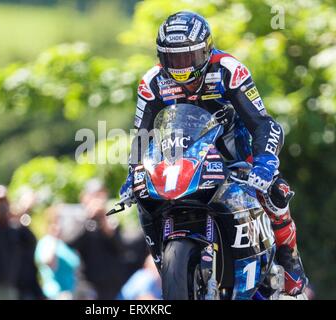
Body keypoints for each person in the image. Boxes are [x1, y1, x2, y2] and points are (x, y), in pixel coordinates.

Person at [119, 11, 308, 296]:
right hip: (183, 160)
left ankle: (290, 263)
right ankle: (169, 258)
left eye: (188, 58)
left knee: (277, 191)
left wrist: (265, 163)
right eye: (173, 60)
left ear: (206, 49)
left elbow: (263, 124)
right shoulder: (153, 82)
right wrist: (133, 172)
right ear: (161, 57)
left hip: (235, 155)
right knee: (143, 195)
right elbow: (142, 135)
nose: (181, 68)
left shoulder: (229, 70)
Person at [0, 185, 44, 300]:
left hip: (8, 286)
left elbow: (31, 242)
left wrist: (17, 216)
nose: (2, 206)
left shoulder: (14, 228)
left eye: (4, 201)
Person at [34, 205, 80, 300]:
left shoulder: (66, 244)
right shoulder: (46, 242)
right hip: (54, 295)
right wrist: (54, 238)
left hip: (71, 294)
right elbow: (49, 262)